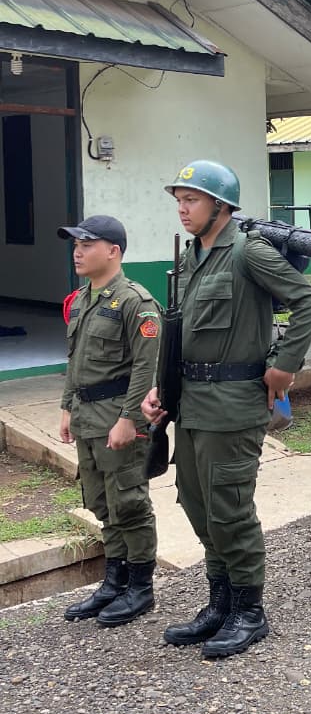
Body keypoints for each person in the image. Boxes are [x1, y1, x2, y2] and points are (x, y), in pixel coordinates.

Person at [141, 160, 311, 659]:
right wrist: (162, 391)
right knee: (198, 505)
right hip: (193, 405)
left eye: (192, 199)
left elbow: (307, 301)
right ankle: (219, 603)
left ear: (219, 205)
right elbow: (180, 333)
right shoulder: (190, 259)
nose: (182, 208)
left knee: (230, 509)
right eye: (179, 199)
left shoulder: (248, 252)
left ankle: (249, 610)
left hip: (234, 404)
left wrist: (284, 367)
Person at [58, 215, 161, 627]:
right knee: (102, 502)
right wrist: (67, 406)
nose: (77, 251)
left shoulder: (136, 301)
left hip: (117, 418)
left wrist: (129, 419)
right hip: (86, 417)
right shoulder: (83, 298)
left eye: (87, 244)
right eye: (76, 244)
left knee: (129, 502)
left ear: (113, 251)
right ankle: (114, 580)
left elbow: (145, 368)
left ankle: (140, 587)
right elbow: (75, 360)